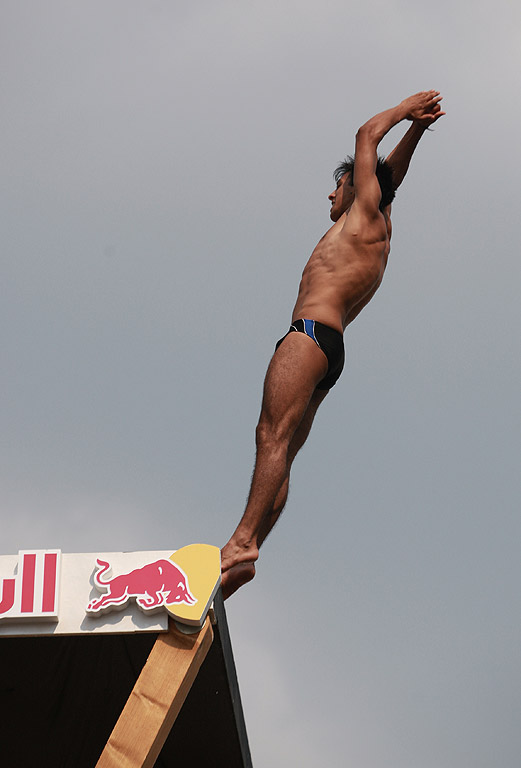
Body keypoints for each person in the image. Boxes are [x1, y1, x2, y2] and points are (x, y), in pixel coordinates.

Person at [221, 91, 445, 599]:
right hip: (332, 350)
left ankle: (240, 544)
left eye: (336, 186)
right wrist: (418, 131)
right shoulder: (378, 224)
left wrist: (406, 109)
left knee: (269, 437)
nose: (329, 198)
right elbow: (391, 175)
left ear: (355, 184)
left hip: (308, 337)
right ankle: (249, 548)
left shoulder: (365, 213)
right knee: (284, 452)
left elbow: (367, 135)